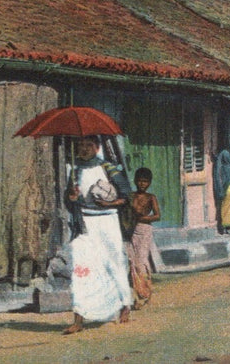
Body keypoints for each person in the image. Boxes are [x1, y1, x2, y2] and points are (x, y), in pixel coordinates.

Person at [64, 136, 133, 335]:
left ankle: (125, 304)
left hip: (108, 221)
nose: (84, 149)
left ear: (97, 147)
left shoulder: (109, 168)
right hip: (85, 223)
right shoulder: (74, 171)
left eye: (88, 145)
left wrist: (110, 203)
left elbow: (126, 196)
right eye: (80, 145)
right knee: (82, 267)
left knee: (114, 263)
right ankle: (79, 318)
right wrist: (72, 197)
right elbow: (69, 201)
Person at [127, 167, 160, 310]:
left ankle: (144, 294)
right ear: (135, 181)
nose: (142, 184)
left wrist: (143, 218)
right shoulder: (130, 196)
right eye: (140, 181)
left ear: (150, 183)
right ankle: (136, 297)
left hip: (144, 229)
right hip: (130, 230)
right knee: (132, 264)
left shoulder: (151, 197)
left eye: (145, 181)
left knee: (141, 263)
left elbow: (158, 216)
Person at [213, 147, 230, 234]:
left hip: (229, 191)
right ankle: (229, 227)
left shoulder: (225, 168)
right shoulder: (229, 168)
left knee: (227, 209)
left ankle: (228, 227)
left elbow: (224, 181)